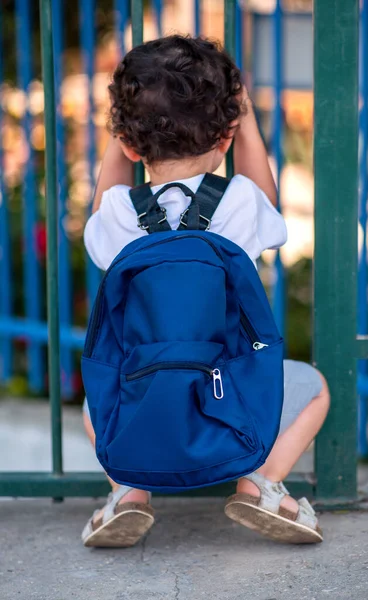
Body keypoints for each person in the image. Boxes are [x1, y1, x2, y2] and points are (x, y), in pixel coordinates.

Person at [81, 35, 330, 548]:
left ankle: (127, 491)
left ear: (129, 144)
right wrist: (247, 126)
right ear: (227, 134)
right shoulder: (239, 203)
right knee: (316, 387)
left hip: (142, 397)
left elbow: (106, 194)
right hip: (228, 397)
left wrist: (119, 134)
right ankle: (259, 482)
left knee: (93, 404)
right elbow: (268, 197)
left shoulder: (118, 215)